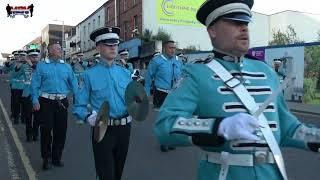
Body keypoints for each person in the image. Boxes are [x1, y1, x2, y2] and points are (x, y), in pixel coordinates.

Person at [154, 0, 320, 180]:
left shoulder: (266, 71)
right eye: (235, 22)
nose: (244, 28)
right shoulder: (197, 74)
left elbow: (287, 127)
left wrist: (316, 137)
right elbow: (165, 125)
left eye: (246, 22)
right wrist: (219, 127)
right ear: (212, 30)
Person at [73, 26, 133, 180]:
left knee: (118, 173)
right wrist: (88, 117)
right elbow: (79, 106)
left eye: (115, 44)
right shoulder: (88, 75)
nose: (113, 47)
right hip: (102, 128)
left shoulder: (125, 72)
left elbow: (133, 98)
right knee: (106, 174)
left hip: (125, 128)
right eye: (108, 44)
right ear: (98, 47)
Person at [31, 43, 78, 170]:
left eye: (61, 49)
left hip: (62, 102)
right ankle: (46, 158)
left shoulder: (66, 67)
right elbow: (34, 84)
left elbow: (73, 83)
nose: (60, 51)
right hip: (46, 102)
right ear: (50, 51)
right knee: (46, 130)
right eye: (57, 49)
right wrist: (35, 100)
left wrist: (78, 98)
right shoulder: (41, 66)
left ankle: (56, 157)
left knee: (61, 131)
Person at [145, 40, 183, 152]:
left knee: (173, 117)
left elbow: (182, 76)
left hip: (175, 93)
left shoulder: (178, 61)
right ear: (164, 49)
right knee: (164, 118)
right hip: (161, 92)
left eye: (174, 48)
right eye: (170, 48)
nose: (173, 50)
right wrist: (146, 92)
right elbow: (148, 76)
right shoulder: (157, 61)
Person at [21, 49, 40, 142]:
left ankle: (35, 133)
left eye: (36, 56)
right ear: (28, 57)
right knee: (28, 117)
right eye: (33, 56)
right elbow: (13, 72)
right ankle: (29, 134)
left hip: (38, 95)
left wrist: (32, 65)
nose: (35, 58)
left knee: (37, 117)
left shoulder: (40, 66)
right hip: (27, 94)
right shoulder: (23, 66)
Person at [4, 50, 27, 124]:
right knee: (15, 103)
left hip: (25, 87)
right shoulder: (14, 64)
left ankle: (23, 118)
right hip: (15, 87)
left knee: (24, 104)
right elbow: (5, 71)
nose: (21, 57)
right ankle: (16, 116)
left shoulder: (28, 64)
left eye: (23, 55)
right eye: (20, 56)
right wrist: (7, 64)